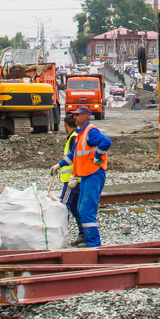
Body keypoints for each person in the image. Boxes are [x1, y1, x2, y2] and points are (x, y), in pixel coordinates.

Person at [50, 105, 111, 247]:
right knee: (81, 209)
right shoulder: (81, 134)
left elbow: (106, 142)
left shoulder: (90, 131)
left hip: (93, 174)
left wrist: (98, 156)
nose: (74, 117)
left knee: (86, 209)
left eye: (77, 115)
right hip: (85, 175)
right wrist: (59, 165)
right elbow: (74, 155)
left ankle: (93, 243)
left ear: (84, 116)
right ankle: (89, 241)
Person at [58, 113, 82, 243]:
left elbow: (74, 157)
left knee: (64, 206)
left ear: (65, 125)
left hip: (71, 180)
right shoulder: (77, 136)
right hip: (77, 179)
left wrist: (59, 165)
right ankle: (83, 234)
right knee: (75, 207)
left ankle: (59, 234)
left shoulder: (73, 138)